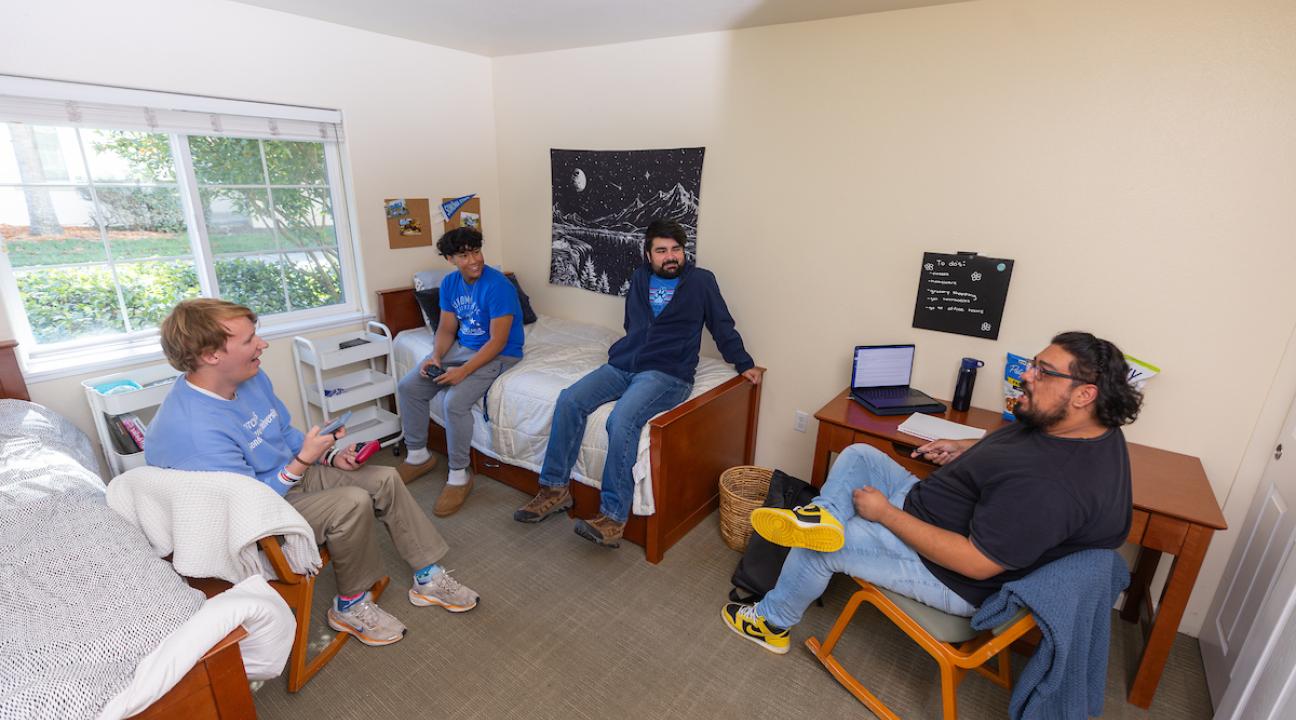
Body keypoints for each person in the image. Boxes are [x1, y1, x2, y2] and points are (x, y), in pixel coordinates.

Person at [722, 331, 1141, 654]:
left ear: (1085, 394)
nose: (1026, 375)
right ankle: (825, 516)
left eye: (1043, 371)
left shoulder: (1052, 488)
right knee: (860, 453)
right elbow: (1022, 449)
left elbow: (975, 564)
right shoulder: (1088, 427)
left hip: (947, 572)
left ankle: (772, 623)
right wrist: (968, 449)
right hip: (929, 507)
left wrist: (884, 514)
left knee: (819, 550)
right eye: (1034, 363)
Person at [146, 299, 480, 648]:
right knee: (350, 502)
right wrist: (303, 462)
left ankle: (427, 576)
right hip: (255, 512)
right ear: (211, 355)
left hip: (283, 479)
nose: (262, 344)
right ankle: (349, 606)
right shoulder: (192, 428)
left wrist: (331, 456)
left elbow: (283, 431)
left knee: (384, 477)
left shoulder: (250, 376)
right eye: (248, 340)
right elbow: (249, 505)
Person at [515, 218, 764, 547]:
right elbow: (632, 323)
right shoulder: (639, 277)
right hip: (623, 363)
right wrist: (631, 350)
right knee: (569, 399)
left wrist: (744, 364)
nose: (671, 256)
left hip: (667, 372)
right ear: (648, 255)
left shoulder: (702, 282)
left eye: (677, 249)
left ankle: (614, 518)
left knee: (622, 420)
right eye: (662, 250)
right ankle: (554, 489)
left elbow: (722, 326)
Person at [395, 226, 524, 516]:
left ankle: (459, 474)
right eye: (464, 255)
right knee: (409, 386)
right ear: (450, 259)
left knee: (455, 402)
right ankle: (417, 456)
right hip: (463, 348)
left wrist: (463, 371)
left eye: (476, 251)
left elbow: (498, 340)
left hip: (501, 352)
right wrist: (436, 356)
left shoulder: (498, 286)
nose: (474, 260)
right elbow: (446, 327)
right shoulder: (450, 284)